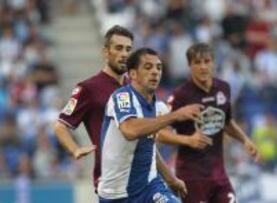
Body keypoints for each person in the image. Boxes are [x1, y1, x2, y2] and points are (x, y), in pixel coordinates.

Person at [53, 26, 185, 196]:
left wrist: (170, 178)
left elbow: (146, 142)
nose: (124, 54)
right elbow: (60, 126)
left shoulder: (138, 88)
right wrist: (75, 149)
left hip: (143, 181)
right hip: (113, 184)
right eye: (118, 48)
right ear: (106, 52)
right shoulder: (88, 88)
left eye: (128, 49)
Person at [158, 43, 260, 203]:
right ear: (189, 66)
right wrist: (188, 140)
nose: (203, 67)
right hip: (191, 176)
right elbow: (159, 133)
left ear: (214, 62)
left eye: (207, 61)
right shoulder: (180, 96)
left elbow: (226, 122)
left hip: (218, 174)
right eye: (197, 63)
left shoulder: (224, 88)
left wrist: (244, 140)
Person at [98, 48, 202, 202]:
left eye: (158, 68)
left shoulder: (158, 108)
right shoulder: (122, 97)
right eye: (148, 67)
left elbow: (150, 146)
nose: (155, 72)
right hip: (116, 195)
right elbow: (130, 130)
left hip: (149, 188)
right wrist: (175, 115)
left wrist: (171, 179)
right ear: (133, 74)